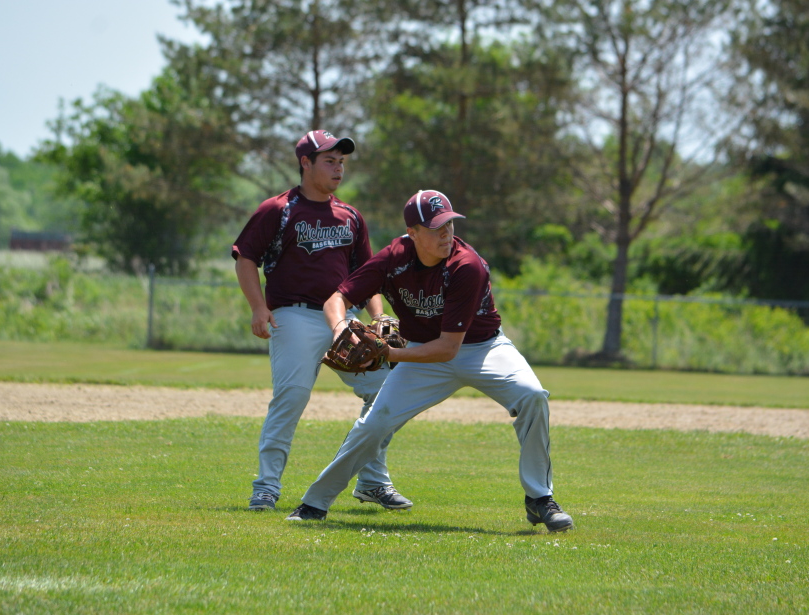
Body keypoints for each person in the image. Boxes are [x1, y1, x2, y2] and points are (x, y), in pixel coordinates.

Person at [286, 189, 574, 532]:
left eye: (449, 224)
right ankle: (315, 503)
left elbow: (449, 349)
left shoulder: (467, 265)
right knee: (375, 423)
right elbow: (338, 297)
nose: (446, 233)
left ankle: (540, 498)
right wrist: (340, 328)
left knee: (532, 396)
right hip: (422, 349)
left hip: (483, 349)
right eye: (436, 227)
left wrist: (388, 354)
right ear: (413, 233)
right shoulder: (394, 257)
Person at [231, 130, 410, 512]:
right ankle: (266, 487)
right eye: (329, 160)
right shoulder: (278, 210)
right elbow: (246, 257)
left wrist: (379, 316)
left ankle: (373, 481)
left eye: (342, 161)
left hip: (343, 319)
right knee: (292, 397)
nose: (338, 167)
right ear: (305, 163)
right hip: (293, 314)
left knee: (385, 394)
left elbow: (367, 275)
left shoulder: (350, 216)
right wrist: (258, 307)